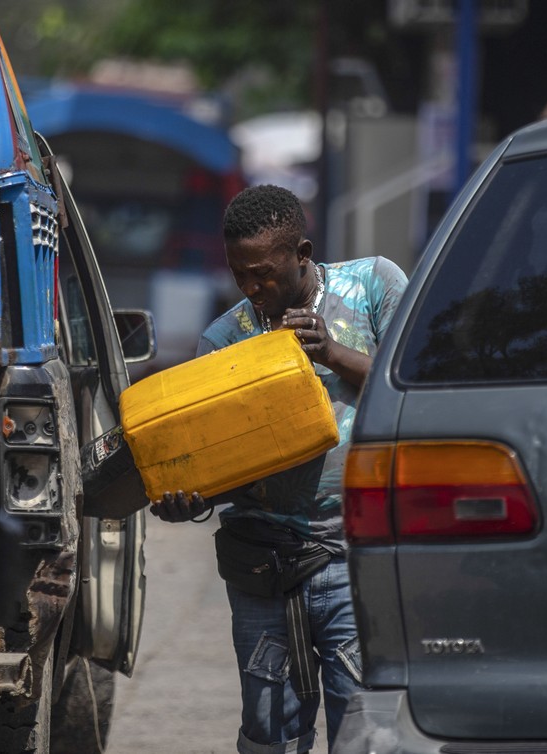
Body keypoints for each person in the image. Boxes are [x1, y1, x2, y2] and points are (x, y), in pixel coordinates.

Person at [150, 184, 408, 754]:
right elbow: (215, 466)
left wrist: (334, 353)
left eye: (263, 273)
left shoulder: (372, 285)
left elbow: (416, 386)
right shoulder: (223, 340)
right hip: (265, 563)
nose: (251, 288)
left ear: (303, 252)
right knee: (270, 734)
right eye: (240, 274)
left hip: (356, 556)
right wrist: (191, 498)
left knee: (365, 734)